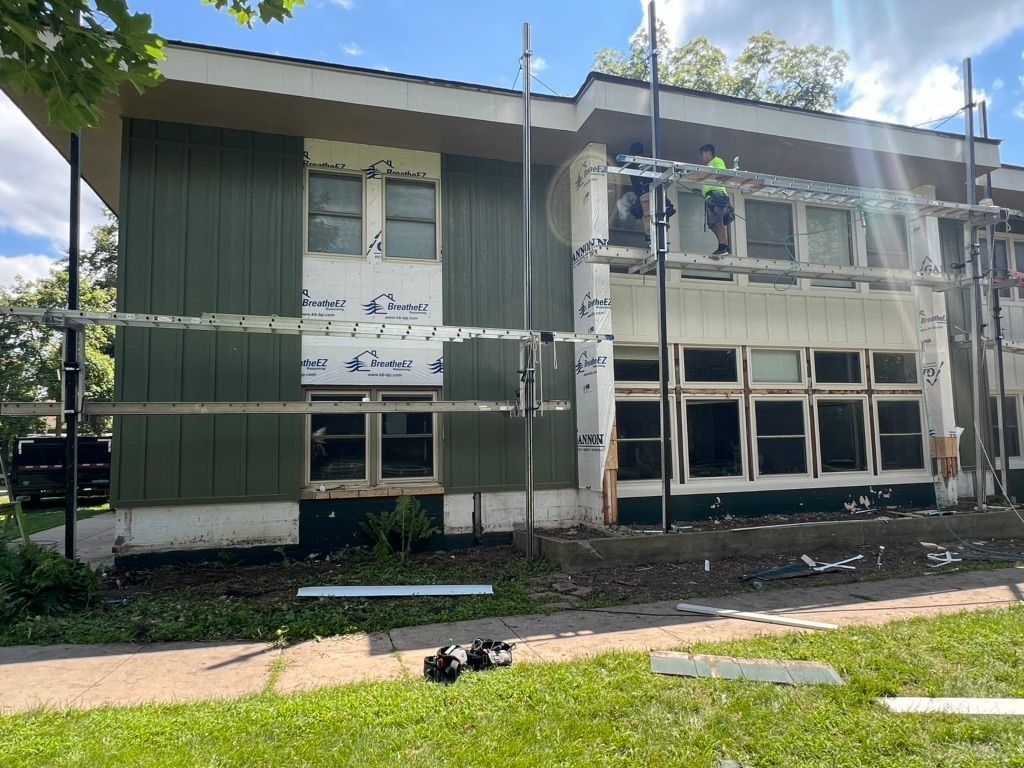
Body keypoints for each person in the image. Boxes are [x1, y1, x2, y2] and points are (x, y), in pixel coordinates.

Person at [625, 142, 674, 241]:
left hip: (645, 193)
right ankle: (660, 233)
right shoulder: (650, 162)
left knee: (647, 215)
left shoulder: (632, 164)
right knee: (663, 210)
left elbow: (636, 181)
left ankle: (651, 234)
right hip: (657, 191)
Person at [699, 143, 734, 256]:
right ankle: (723, 245)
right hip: (711, 196)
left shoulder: (717, 161)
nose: (702, 158)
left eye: (703, 154)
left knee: (717, 222)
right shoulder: (710, 165)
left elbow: (721, 174)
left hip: (716, 195)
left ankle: (723, 246)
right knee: (712, 223)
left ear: (708, 153)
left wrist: (705, 171)